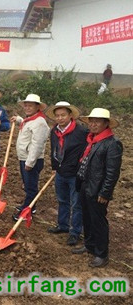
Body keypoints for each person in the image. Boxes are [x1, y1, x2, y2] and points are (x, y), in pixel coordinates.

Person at [72, 108, 123, 268]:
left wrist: (105, 192)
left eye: (97, 121)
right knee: (87, 217)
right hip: (86, 185)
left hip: (98, 189)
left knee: (98, 220)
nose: (93, 124)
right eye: (91, 121)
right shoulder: (92, 140)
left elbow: (112, 172)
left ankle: (101, 254)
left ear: (106, 124)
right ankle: (89, 244)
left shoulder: (112, 144)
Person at [46, 101, 88, 246]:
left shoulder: (81, 132)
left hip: (75, 174)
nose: (60, 118)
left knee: (76, 204)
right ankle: (62, 225)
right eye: (57, 116)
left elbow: (87, 151)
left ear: (70, 115)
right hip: (60, 172)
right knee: (62, 200)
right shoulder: (54, 131)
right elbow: (54, 150)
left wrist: (82, 169)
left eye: (63, 115)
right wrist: (54, 166)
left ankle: (75, 232)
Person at [10, 94, 49, 221]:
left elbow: (37, 144)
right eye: (26, 105)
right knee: (28, 185)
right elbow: (28, 124)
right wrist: (19, 119)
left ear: (37, 107)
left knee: (31, 187)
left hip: (31, 160)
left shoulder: (40, 123)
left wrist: (30, 162)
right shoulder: (31, 119)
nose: (27, 108)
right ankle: (31, 207)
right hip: (24, 158)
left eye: (30, 105)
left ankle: (27, 210)